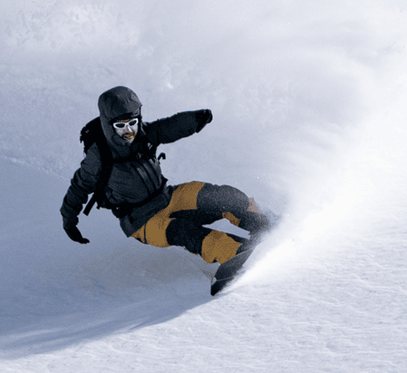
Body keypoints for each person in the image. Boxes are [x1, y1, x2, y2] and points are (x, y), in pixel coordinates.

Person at [61, 86, 271, 295]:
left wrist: (196, 119)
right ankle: (233, 254)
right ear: (108, 125)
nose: (129, 131)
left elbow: (170, 127)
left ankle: (260, 223)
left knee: (217, 196)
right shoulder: (98, 157)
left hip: (167, 197)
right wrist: (69, 222)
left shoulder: (144, 134)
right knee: (185, 232)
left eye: (133, 123)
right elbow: (78, 187)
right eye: (120, 125)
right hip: (141, 221)